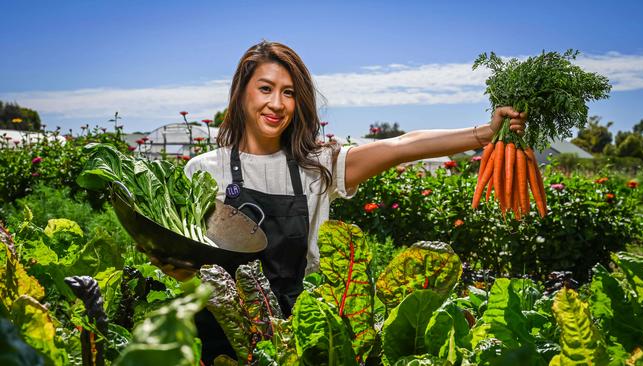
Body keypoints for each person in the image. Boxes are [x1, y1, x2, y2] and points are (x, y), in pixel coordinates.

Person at [148, 40, 526, 362]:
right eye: (265, 89)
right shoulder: (204, 170)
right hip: (220, 335)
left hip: (299, 333)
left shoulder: (318, 166)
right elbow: (186, 254)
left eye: (289, 92)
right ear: (242, 91)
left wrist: (483, 133)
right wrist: (177, 268)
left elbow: (401, 146)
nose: (277, 103)